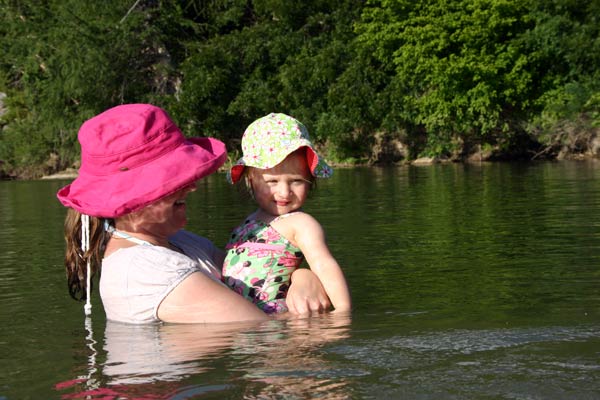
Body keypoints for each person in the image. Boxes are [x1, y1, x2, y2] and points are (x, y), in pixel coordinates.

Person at [57, 104, 330, 324]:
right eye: (174, 179)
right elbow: (263, 333)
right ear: (132, 197)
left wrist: (302, 277)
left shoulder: (181, 243)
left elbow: (256, 275)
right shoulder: (145, 270)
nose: (193, 185)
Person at [222, 113, 352, 314]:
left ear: (310, 180)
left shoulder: (301, 223)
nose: (284, 192)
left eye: (296, 181)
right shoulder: (250, 221)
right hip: (243, 323)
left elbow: (323, 264)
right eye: (272, 182)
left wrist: (342, 311)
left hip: (278, 323)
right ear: (251, 180)